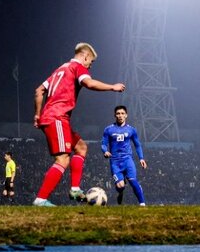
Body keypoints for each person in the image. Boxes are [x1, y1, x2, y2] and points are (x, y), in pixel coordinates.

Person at [32, 42, 125, 207]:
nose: (90, 66)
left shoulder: (60, 69)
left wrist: (38, 114)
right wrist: (112, 87)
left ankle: (75, 189)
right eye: (91, 62)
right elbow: (89, 83)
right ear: (85, 56)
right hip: (57, 117)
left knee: (81, 147)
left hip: (55, 117)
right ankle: (40, 199)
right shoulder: (77, 67)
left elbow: (39, 91)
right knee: (62, 159)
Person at [101, 105, 147, 206]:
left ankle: (142, 204)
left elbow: (137, 144)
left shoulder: (131, 130)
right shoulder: (108, 129)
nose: (120, 115)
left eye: (122, 113)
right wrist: (105, 151)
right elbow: (103, 144)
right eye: (118, 113)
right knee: (120, 186)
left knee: (133, 181)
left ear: (126, 115)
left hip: (127, 159)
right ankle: (120, 192)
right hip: (115, 162)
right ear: (114, 115)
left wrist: (141, 158)